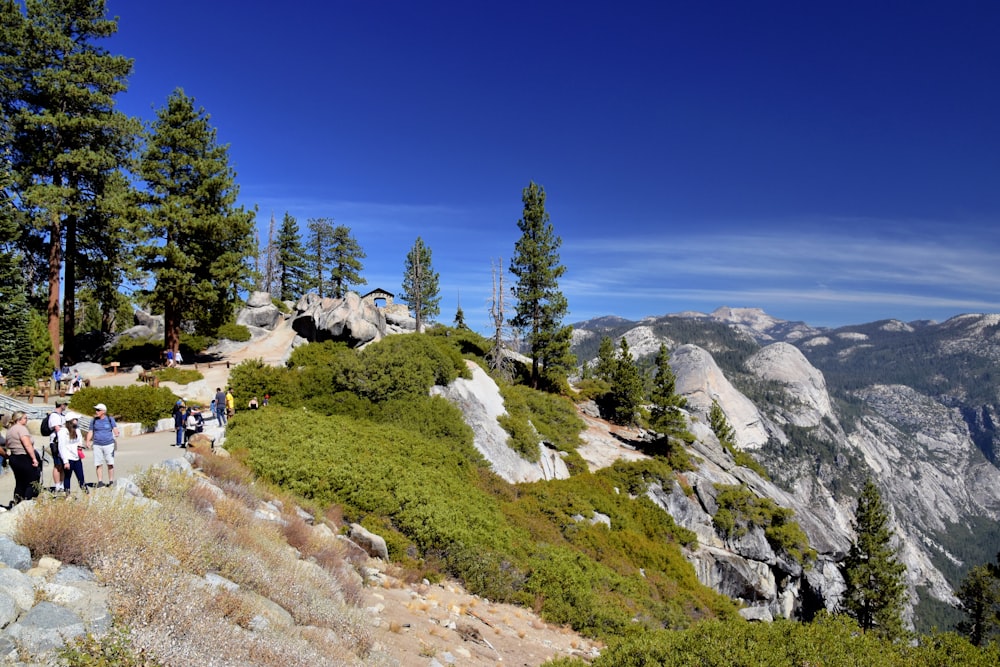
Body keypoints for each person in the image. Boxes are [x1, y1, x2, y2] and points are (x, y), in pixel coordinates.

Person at [5, 412, 41, 504]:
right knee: (31, 482)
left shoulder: (10, 430)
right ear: (19, 419)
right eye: (25, 418)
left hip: (14, 458)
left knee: (20, 482)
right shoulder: (21, 429)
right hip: (24, 457)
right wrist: (34, 459)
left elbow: (7, 445)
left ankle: (17, 502)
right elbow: (27, 445)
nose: (26, 419)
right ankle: (28, 503)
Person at [85, 403, 120, 488]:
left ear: (103, 411)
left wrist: (116, 432)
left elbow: (115, 428)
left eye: (98, 410)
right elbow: (91, 431)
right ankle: (100, 481)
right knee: (98, 463)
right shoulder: (93, 420)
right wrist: (88, 441)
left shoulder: (110, 419)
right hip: (97, 444)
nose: (96, 411)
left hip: (109, 444)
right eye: (96, 410)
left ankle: (111, 481)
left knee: (110, 463)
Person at [58, 412, 87, 493]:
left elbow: (80, 439)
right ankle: (67, 494)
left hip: (77, 457)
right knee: (67, 477)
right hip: (68, 458)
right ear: (70, 420)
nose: (77, 420)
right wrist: (65, 461)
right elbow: (61, 447)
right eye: (75, 419)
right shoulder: (63, 431)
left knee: (81, 477)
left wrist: (80, 445)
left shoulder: (77, 429)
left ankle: (87, 494)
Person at [48, 399, 68, 490]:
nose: (66, 406)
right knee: (57, 465)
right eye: (65, 404)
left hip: (63, 442)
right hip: (56, 442)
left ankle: (62, 484)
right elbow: (57, 429)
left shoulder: (62, 416)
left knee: (63, 464)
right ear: (61, 405)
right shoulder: (54, 416)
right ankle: (57, 485)